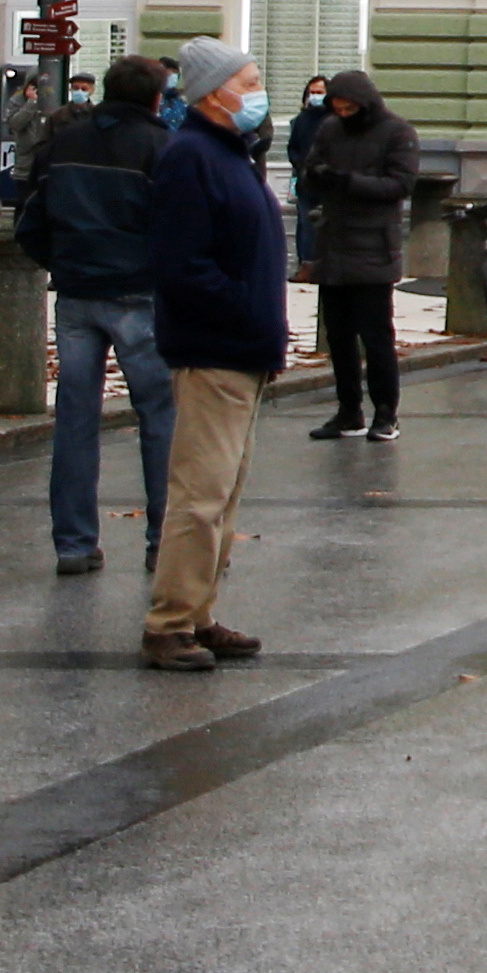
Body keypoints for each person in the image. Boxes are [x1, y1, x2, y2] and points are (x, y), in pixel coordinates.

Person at [141, 38, 285, 671]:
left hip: (243, 349)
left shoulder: (231, 155)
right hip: (214, 349)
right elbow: (181, 263)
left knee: (222, 499)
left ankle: (199, 613)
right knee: (199, 497)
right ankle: (170, 623)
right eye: (248, 82)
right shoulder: (192, 157)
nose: (258, 92)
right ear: (214, 94)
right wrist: (243, 310)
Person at [21, 54, 174, 578]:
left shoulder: (64, 144)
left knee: (76, 417)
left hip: (77, 291)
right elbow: (177, 228)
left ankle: (74, 542)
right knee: (159, 416)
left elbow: (31, 219)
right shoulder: (161, 147)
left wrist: (62, 262)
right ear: (156, 98)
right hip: (138, 290)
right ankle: (162, 540)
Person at [300, 69, 419, 443]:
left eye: (350, 107)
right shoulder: (330, 129)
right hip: (334, 243)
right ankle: (348, 410)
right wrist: (316, 176)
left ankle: (386, 413)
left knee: (376, 335)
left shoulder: (397, 132)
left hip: (373, 247)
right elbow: (308, 171)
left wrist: (347, 181)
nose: (343, 112)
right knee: (338, 336)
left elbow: (400, 185)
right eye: (338, 107)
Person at [282, 73, 334, 275]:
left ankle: (324, 263)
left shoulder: (334, 119)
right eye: (312, 92)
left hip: (329, 180)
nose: (315, 96)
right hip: (305, 180)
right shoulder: (301, 119)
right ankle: (306, 264)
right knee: (305, 223)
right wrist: (302, 166)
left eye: (319, 92)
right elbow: (293, 147)